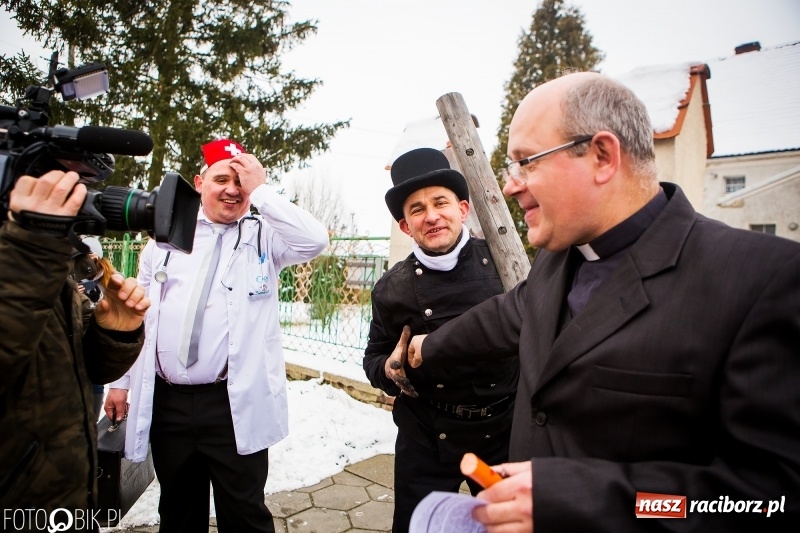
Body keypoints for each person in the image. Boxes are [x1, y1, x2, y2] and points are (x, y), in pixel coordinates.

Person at [407, 72, 800, 531]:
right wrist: (424, 348)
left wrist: (586, 500)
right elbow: (505, 316)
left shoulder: (764, 280)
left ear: (601, 156)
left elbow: (769, 501)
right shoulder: (555, 262)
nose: (511, 186)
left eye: (525, 162)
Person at [105, 138, 329, 533]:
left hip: (231, 404)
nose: (232, 189)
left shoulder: (265, 236)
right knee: (177, 509)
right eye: (222, 178)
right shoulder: (163, 242)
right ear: (199, 182)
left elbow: (315, 240)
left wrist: (261, 191)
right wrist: (121, 383)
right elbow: (139, 317)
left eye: (241, 182)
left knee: (244, 513)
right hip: (169, 403)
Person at [363, 147, 519, 533]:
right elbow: (373, 358)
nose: (431, 216)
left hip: (503, 429)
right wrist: (388, 367)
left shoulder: (505, 265)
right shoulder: (391, 288)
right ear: (405, 226)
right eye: (417, 209)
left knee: (513, 525)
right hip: (427, 436)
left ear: (463, 208)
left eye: (440, 203)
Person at [0, 170, 149, 517]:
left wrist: (116, 333)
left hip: (64, 498)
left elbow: (88, 364)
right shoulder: (31, 257)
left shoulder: (59, 274)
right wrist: (31, 249)